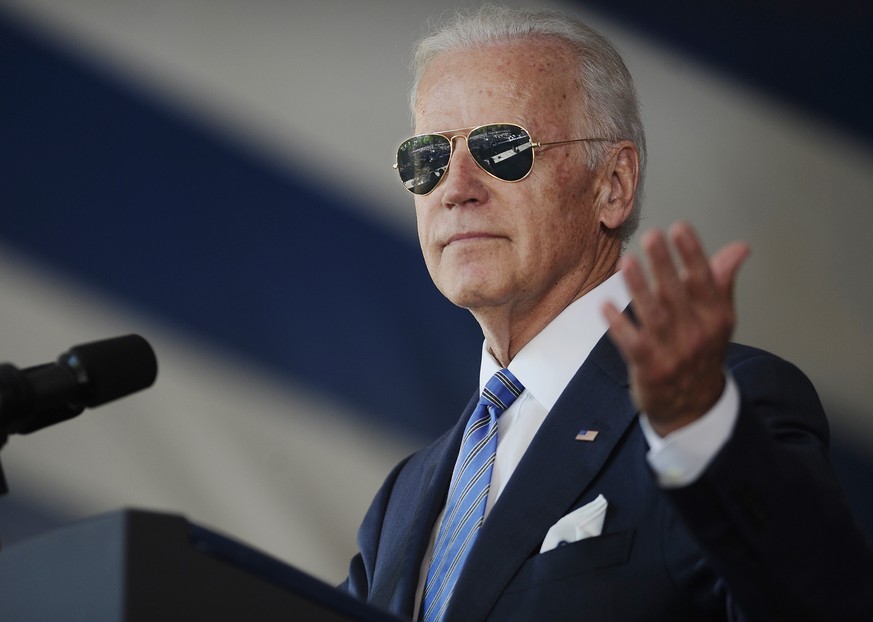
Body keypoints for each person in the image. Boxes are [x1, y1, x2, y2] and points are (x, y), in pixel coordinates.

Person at [341, 6, 873, 621]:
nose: (455, 187)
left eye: (502, 148)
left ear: (613, 184)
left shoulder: (722, 410)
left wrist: (700, 429)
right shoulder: (404, 498)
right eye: (427, 158)